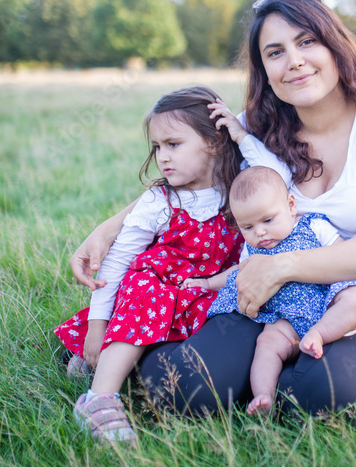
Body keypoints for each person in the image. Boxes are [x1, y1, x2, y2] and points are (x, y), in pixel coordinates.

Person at [70, 0, 356, 420]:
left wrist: (280, 266)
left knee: (323, 397)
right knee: (185, 389)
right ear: (263, 69)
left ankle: (274, 377)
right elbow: (192, 174)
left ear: (335, 45)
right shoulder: (253, 129)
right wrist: (111, 226)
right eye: (275, 52)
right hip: (269, 302)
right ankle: (122, 354)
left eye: (307, 42)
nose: (294, 61)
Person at [54, 85, 244, 445]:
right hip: (155, 294)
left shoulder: (240, 191)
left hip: (206, 293)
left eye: (173, 144)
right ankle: (99, 399)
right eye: (157, 147)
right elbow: (117, 262)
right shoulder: (160, 200)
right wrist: (97, 326)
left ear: (215, 142)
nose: (162, 157)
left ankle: (103, 362)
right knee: (146, 293)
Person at [183, 165, 356, 415]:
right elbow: (238, 272)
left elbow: (342, 252)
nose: (260, 232)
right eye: (247, 227)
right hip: (285, 318)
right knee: (266, 344)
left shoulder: (313, 225)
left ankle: (319, 334)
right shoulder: (253, 249)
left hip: (325, 300)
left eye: (268, 220)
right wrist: (209, 283)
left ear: (290, 206)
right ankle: (263, 396)